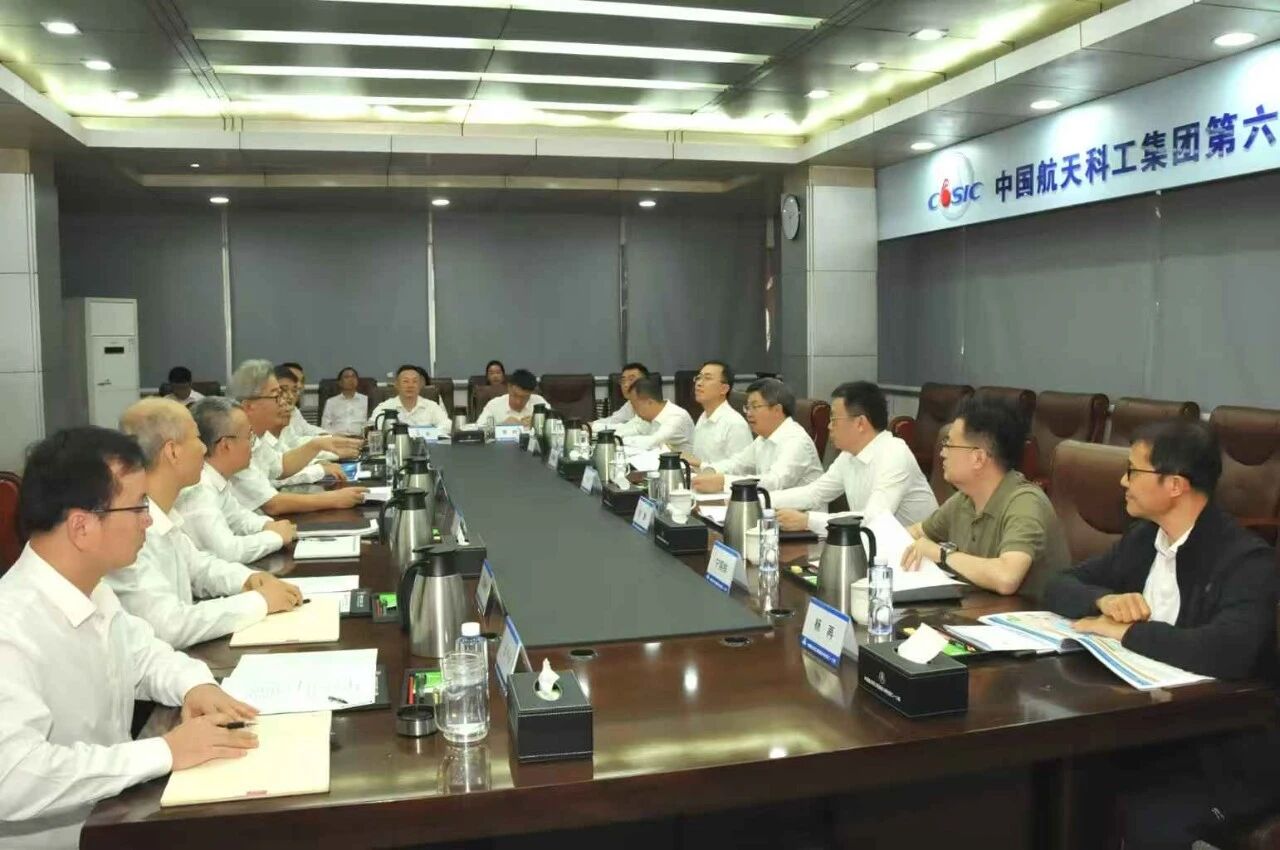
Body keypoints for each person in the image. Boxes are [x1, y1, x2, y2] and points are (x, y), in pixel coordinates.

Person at [0, 427, 259, 848]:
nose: (148, 520)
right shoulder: (10, 628)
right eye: (139, 506)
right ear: (82, 527)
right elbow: (13, 776)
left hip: (116, 818)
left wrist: (194, 685)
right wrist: (165, 751)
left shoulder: (93, 589)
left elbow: (145, 655)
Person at [1045, 420, 1280, 849]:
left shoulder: (1246, 561)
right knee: (1056, 784)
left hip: (1220, 756)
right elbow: (1058, 584)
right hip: (1147, 732)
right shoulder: (1144, 541)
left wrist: (1126, 633)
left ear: (1174, 485)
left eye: (1133, 472)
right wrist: (1103, 601)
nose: (1123, 482)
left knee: (1138, 816)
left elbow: (1227, 652)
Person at [105, 399, 302, 649]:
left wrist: (249, 579)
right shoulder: (129, 526)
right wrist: (259, 601)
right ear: (173, 452)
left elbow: (199, 567)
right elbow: (169, 626)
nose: (203, 448)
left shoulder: (162, 512)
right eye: (197, 438)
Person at [902, 396, 1070, 598]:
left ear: (978, 458)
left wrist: (942, 554)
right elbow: (916, 533)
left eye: (949, 444)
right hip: (980, 609)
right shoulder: (964, 500)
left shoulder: (1025, 503)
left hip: (1028, 614)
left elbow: (1006, 578)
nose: (942, 453)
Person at [773, 381, 937, 534]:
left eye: (833, 419)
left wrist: (808, 521)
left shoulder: (894, 453)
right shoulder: (848, 455)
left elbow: (874, 519)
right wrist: (763, 499)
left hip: (916, 550)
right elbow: (815, 493)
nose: (829, 426)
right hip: (874, 545)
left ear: (860, 423)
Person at [226, 359, 367, 516]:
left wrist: (318, 445)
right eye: (276, 395)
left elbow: (280, 465)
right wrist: (334, 498)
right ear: (249, 406)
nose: (284, 401)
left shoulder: (254, 438)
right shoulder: (231, 443)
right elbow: (272, 504)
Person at [175, 398, 297, 564]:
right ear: (226, 445)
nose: (252, 445)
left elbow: (239, 518)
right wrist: (275, 537)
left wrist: (267, 526)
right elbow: (227, 552)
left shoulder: (216, 479)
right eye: (249, 436)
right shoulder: (198, 491)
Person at [691, 377, 823, 493]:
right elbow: (737, 464)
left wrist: (724, 482)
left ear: (777, 410)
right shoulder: (762, 439)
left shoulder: (796, 441)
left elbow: (775, 482)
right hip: (771, 507)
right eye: (747, 407)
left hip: (803, 512)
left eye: (755, 407)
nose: (748, 413)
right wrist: (709, 471)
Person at [685, 360, 751, 466]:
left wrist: (702, 465)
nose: (699, 383)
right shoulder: (703, 417)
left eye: (707, 378)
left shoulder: (735, 424)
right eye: (698, 377)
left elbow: (743, 467)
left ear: (724, 389)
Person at [613, 374, 695, 454]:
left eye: (635, 406)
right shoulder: (646, 417)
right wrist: (613, 437)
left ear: (649, 402)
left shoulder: (676, 416)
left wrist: (620, 440)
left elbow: (652, 442)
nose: (634, 410)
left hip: (685, 462)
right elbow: (627, 428)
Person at [368, 364, 451, 432]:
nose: (410, 385)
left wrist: (428, 433)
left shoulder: (432, 406)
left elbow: (448, 426)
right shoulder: (385, 407)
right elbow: (372, 428)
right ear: (397, 385)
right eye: (405, 381)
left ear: (420, 385)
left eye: (415, 381)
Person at [475, 368, 547, 429]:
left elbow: (552, 423)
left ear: (531, 393)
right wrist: (502, 426)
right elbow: (479, 429)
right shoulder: (494, 405)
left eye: (524, 398)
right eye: (515, 395)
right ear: (509, 387)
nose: (518, 402)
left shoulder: (539, 402)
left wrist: (538, 423)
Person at [592, 362, 649, 432]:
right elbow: (613, 420)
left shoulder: (650, 403)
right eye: (623, 380)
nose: (626, 385)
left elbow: (634, 428)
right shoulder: (630, 404)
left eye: (631, 379)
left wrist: (594, 426)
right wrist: (590, 424)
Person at [321, 366, 369, 436]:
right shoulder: (331, 402)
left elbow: (371, 423)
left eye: (353, 376)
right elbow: (325, 426)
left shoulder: (366, 400)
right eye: (346, 377)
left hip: (359, 438)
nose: (351, 379)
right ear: (340, 382)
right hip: (337, 438)